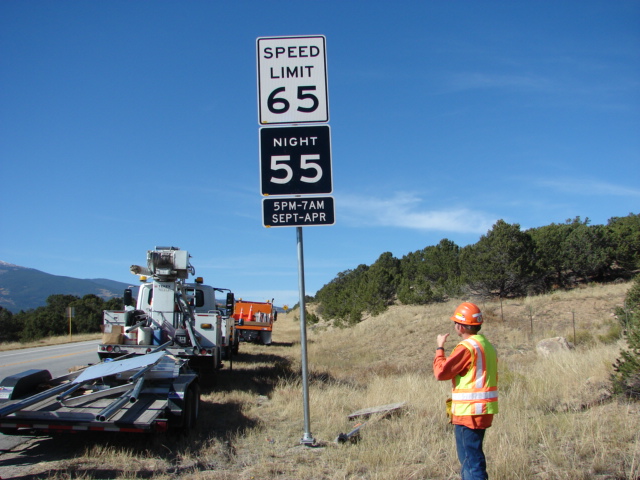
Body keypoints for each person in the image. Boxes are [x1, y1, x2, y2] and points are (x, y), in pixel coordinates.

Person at [433, 302, 498, 480]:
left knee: (471, 462)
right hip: (484, 411)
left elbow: (441, 373)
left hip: (468, 412)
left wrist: (440, 348)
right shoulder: (487, 346)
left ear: (459, 326)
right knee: (474, 457)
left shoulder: (467, 347)